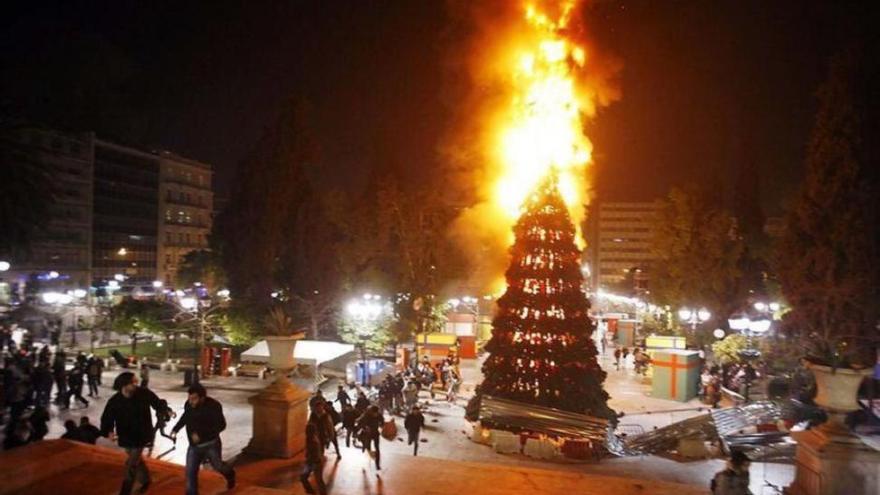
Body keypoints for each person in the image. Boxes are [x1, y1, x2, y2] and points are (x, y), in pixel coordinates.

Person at [100, 371, 174, 495]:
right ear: (124, 385)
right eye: (133, 382)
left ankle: (125, 491)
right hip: (125, 436)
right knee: (135, 459)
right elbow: (107, 417)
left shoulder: (143, 393)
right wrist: (109, 431)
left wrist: (167, 411)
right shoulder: (115, 401)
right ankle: (145, 479)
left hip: (141, 434)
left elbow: (157, 403)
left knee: (131, 464)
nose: (136, 384)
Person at [171, 383, 236, 494]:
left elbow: (221, 425)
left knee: (218, 466)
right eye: (189, 398)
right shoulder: (189, 404)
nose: (190, 401)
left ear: (202, 398)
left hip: (211, 444)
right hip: (194, 447)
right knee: (190, 473)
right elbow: (185, 417)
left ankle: (230, 474)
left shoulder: (214, 406)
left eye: (194, 399)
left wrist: (201, 435)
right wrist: (176, 429)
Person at [300, 407, 327, 495]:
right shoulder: (313, 439)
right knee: (318, 480)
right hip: (313, 462)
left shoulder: (313, 441)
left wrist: (308, 461)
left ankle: (313, 492)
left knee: (310, 478)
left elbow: (314, 454)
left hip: (314, 463)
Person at [356, 404, 383, 470]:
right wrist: (365, 427)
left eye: (377, 413)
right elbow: (359, 423)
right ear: (371, 412)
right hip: (367, 434)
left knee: (377, 448)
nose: (376, 415)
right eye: (374, 413)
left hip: (375, 433)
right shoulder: (366, 415)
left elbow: (382, 421)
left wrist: (381, 424)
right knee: (368, 448)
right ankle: (368, 452)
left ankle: (377, 465)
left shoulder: (378, 414)